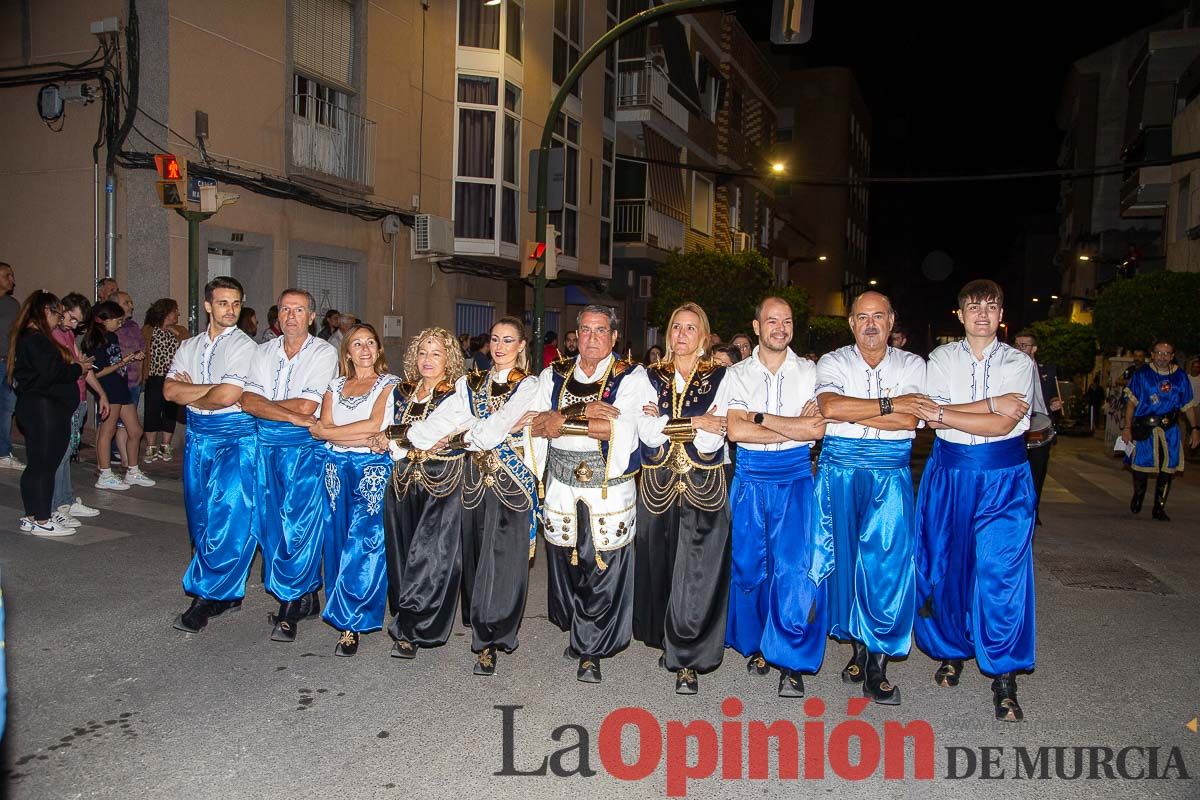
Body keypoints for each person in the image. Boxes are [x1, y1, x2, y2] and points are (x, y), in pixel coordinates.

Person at [911, 279, 1036, 723]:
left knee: (1001, 571)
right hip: (951, 473)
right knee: (947, 566)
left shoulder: (1021, 362)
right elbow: (932, 414)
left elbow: (1003, 426)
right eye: (973, 306)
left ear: (1002, 315)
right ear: (959, 314)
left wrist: (950, 412)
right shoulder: (940, 359)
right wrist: (987, 405)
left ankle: (1004, 672)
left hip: (1004, 477)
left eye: (991, 305)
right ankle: (952, 650)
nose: (982, 312)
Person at [409, 317, 543, 676]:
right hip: (473, 482)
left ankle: (491, 639)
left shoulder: (530, 385)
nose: (500, 346)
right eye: (495, 339)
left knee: (504, 562)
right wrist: (414, 436)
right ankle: (481, 623)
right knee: (476, 557)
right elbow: (441, 421)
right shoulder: (472, 383)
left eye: (509, 340)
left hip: (512, 484)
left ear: (521, 347)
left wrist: (464, 434)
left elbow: (492, 431)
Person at [814, 291, 929, 705]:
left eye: (878, 316)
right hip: (838, 470)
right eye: (862, 317)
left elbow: (910, 417)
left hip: (889, 472)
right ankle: (859, 651)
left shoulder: (913, 364)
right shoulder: (833, 361)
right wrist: (889, 403)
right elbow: (830, 407)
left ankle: (876, 665)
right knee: (844, 564)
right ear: (850, 323)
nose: (870, 324)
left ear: (892, 319)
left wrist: (865, 408)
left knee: (885, 565)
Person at [530, 305, 652, 684]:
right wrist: (583, 412)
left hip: (606, 489)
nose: (593, 337)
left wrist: (562, 418)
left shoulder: (631, 376)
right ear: (575, 334)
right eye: (586, 330)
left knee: (602, 566)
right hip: (562, 486)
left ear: (614, 337)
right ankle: (579, 628)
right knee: (567, 563)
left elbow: (621, 428)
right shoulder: (555, 373)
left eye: (601, 331)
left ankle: (591, 648)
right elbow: (536, 422)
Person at [725, 296, 828, 698]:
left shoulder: (810, 371)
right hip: (750, 475)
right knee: (750, 565)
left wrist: (761, 419)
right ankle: (759, 645)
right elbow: (735, 432)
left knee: (793, 568)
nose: (780, 328)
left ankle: (791, 658)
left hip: (796, 476)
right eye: (772, 320)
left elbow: (816, 432)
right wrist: (793, 427)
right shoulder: (737, 373)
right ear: (756, 326)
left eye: (786, 321)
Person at [633, 303, 733, 694]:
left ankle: (688, 659)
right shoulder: (649, 374)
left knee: (698, 571)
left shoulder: (722, 377)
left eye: (691, 328)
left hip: (704, 485)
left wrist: (667, 421)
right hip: (658, 485)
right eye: (676, 326)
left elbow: (715, 436)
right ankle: (667, 636)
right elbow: (647, 433)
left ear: (704, 338)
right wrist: (695, 421)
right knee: (660, 561)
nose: (682, 334)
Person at [240, 289, 339, 642]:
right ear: (277, 315)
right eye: (285, 309)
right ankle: (307, 595)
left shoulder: (324, 351)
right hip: (266, 447)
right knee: (271, 526)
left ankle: (289, 604)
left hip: (303, 452)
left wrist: (273, 408)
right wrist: (284, 413)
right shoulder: (262, 351)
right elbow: (248, 401)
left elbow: (307, 408)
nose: (291, 316)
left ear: (311, 316)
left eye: (299, 310)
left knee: (300, 526)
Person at [166, 276, 261, 634]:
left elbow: (229, 396)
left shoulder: (245, 347)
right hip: (198, 438)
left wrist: (191, 392)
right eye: (223, 303)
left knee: (229, 518)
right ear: (208, 306)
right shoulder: (188, 346)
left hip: (235, 439)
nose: (230, 310)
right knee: (201, 518)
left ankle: (206, 598)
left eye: (236, 303)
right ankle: (227, 593)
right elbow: (169, 391)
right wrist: (208, 391)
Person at [373, 327, 467, 659]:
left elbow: (433, 434)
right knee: (400, 552)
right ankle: (405, 614)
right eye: (423, 352)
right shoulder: (402, 391)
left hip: (442, 481)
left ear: (449, 359)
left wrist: (399, 435)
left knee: (431, 556)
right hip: (401, 478)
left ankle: (414, 628)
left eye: (436, 353)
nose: (428, 360)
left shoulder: (457, 393)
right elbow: (387, 434)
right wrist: (400, 437)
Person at [311, 323, 400, 656]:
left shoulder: (389, 385)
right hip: (335, 469)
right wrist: (333, 433)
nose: (364, 349)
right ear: (347, 351)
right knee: (336, 538)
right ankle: (338, 604)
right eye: (357, 344)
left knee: (364, 542)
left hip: (371, 470)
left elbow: (374, 427)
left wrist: (331, 433)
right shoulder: (334, 385)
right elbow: (323, 427)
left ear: (378, 350)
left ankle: (353, 620)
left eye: (371, 343)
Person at [10, 291, 87, 536]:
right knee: (44, 464)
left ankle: (34, 515)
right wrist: (76, 368)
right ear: (46, 312)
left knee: (39, 464)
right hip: (42, 408)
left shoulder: (32, 338)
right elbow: (51, 372)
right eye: (57, 313)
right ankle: (40, 518)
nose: (59, 318)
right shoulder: (36, 339)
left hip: (41, 406)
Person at [1120, 339, 1198, 522]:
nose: (1162, 357)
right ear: (1152, 355)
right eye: (1159, 353)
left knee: (1167, 469)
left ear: (1172, 356)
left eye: (1166, 353)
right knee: (1140, 468)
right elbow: (1131, 403)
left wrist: (1195, 428)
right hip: (1146, 428)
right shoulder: (1142, 375)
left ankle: (1159, 507)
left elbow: (1187, 405)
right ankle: (1139, 494)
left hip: (1169, 429)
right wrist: (1127, 427)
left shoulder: (1180, 377)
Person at [82, 301, 153, 491]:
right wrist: (123, 362)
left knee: (136, 431)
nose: (120, 324)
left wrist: (128, 360)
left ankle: (132, 470)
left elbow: (116, 361)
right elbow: (95, 373)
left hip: (121, 387)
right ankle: (104, 473)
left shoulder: (112, 337)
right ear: (104, 320)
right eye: (117, 320)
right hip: (108, 389)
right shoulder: (93, 341)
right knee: (108, 431)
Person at [50, 294, 107, 527]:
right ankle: (55, 506)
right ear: (61, 309)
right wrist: (79, 366)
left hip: (79, 398)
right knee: (59, 455)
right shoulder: (52, 334)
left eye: (78, 322)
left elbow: (85, 369)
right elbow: (63, 369)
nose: (74, 325)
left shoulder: (68, 334)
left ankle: (65, 499)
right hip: (63, 401)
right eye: (71, 319)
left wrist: (101, 394)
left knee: (68, 452)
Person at [1014, 330, 1063, 523]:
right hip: (1015, 427)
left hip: (1041, 426)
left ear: (1034, 348)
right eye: (1017, 345)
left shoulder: (1047, 370)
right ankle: (1015, 510)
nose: (1019, 349)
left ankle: (1033, 510)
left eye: (1024, 345)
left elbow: (1051, 394)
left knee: (1038, 471)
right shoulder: (1007, 368)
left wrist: (1055, 402)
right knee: (1015, 470)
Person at [141, 299, 184, 463]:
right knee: (151, 409)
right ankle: (151, 446)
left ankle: (166, 445)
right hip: (154, 377)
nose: (178, 314)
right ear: (166, 312)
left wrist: (177, 334)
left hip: (173, 378)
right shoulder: (149, 330)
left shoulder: (180, 330)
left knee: (170, 411)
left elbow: (188, 346)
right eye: (175, 310)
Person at [113, 293, 145, 464]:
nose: (130, 305)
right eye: (126, 302)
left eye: (130, 302)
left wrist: (140, 372)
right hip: (118, 381)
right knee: (120, 424)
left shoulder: (133, 326)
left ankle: (128, 462)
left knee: (129, 426)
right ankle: (124, 459)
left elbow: (141, 347)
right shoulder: (112, 328)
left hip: (133, 381)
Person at [0, 263, 23, 471]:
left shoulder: (13, 304)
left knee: (7, 408)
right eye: (7, 275)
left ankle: (3, 452)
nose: (12, 280)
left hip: (7, 362)